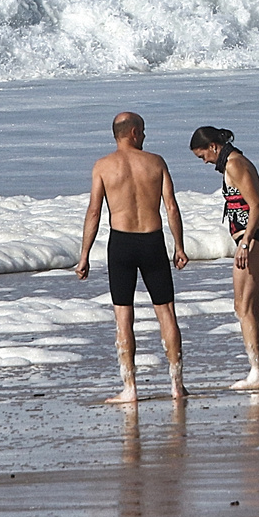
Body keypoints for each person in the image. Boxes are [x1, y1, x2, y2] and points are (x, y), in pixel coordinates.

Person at [75, 111, 189, 402]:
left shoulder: (102, 166)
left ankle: (130, 389)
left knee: (123, 317)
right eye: (144, 131)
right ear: (134, 132)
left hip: (121, 244)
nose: (146, 136)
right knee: (166, 313)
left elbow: (94, 212)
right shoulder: (156, 162)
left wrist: (84, 255)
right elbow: (172, 208)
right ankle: (176, 385)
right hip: (152, 241)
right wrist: (179, 246)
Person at [190, 126, 259, 390]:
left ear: (214, 146)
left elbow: (256, 205)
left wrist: (245, 243)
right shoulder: (234, 162)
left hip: (255, 240)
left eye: (202, 155)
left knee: (243, 308)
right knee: (253, 308)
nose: (204, 161)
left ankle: (257, 372)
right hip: (257, 239)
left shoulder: (235, 164)